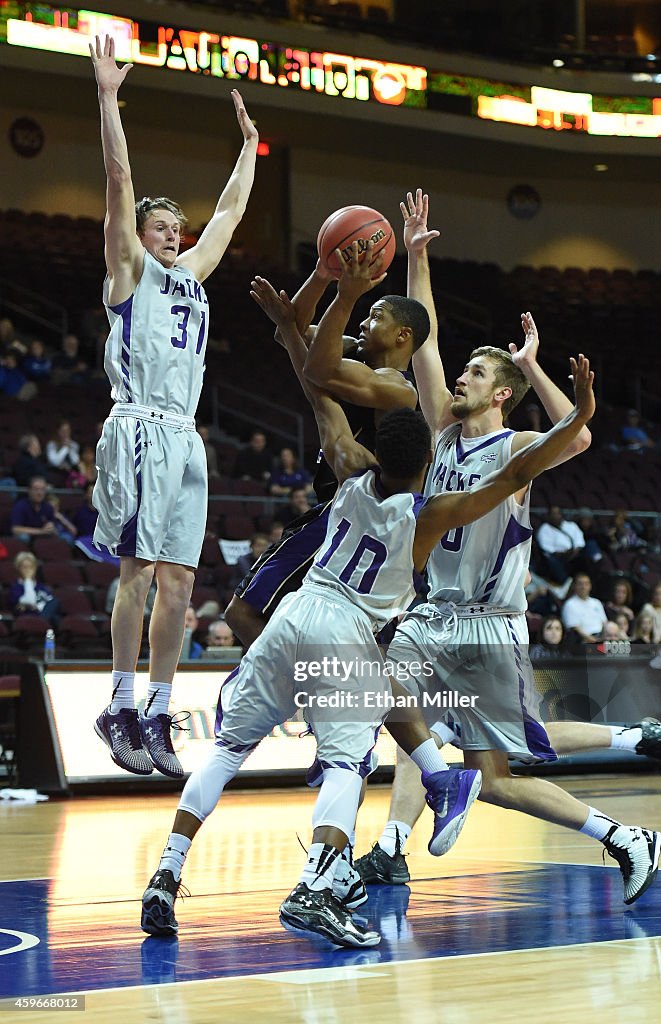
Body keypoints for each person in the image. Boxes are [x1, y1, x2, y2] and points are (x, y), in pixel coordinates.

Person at [140, 332, 596, 948]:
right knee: (345, 767)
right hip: (346, 630)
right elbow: (516, 471)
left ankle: (166, 874)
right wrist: (583, 413)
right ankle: (316, 888)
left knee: (226, 751)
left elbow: (324, 401)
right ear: (427, 464)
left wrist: (291, 331)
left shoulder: (352, 475)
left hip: (295, 615)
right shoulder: (430, 513)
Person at [355, 190, 661, 907]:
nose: (458, 376)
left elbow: (579, 436)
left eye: (476, 373)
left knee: (498, 775)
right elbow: (422, 338)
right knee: (394, 704)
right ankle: (390, 849)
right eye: (460, 370)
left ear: (500, 396)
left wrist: (534, 366)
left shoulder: (517, 448)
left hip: (490, 627)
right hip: (433, 616)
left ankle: (622, 836)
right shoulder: (437, 430)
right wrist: (418, 254)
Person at [88, 34, 258, 780]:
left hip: (185, 438)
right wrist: (105, 99)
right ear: (138, 235)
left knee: (181, 584)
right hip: (136, 428)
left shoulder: (192, 273)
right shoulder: (129, 271)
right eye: (161, 226)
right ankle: (118, 702)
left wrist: (251, 146)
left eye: (174, 229)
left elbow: (226, 215)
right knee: (137, 572)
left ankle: (158, 709)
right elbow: (119, 179)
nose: (173, 233)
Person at [226, 244, 425, 649]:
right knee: (347, 645)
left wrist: (347, 296)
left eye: (376, 316)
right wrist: (322, 274)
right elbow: (292, 330)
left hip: (353, 514)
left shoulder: (397, 388)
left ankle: (304, 690)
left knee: (243, 613)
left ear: (402, 335)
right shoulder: (354, 351)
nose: (365, 323)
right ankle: (326, 696)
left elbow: (316, 370)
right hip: (336, 507)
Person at [535, 505, 585, 594]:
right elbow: (546, 548)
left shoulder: (571, 525)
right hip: (557, 556)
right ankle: (565, 584)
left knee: (587, 558)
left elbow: (580, 542)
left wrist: (574, 552)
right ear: (548, 516)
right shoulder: (544, 529)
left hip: (574, 554)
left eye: (558, 513)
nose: (556, 516)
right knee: (551, 560)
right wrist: (563, 553)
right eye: (553, 514)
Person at [9, 552, 61, 629]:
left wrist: (37, 607)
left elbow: (51, 604)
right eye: (25, 567)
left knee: (55, 605)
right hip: (28, 618)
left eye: (31, 567)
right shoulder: (16, 587)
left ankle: (44, 623)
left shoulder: (41, 586)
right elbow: (29, 601)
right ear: (18, 568)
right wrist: (28, 580)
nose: (28, 570)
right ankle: (42, 623)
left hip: (45, 616)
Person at [561, 573, 608, 643]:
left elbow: (605, 623)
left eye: (586, 584)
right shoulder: (570, 604)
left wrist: (605, 638)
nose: (583, 587)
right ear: (574, 586)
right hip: (584, 640)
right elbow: (575, 628)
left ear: (590, 586)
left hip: (602, 636)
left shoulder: (596, 602)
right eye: (580, 584)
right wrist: (595, 641)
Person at [10, 477, 58, 543]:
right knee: (23, 537)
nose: (39, 493)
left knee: (65, 537)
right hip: (27, 537)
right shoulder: (20, 506)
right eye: (36, 489)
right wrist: (41, 531)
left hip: (42, 537)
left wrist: (51, 528)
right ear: (29, 491)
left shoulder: (48, 507)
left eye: (42, 489)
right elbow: (15, 529)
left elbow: (53, 527)